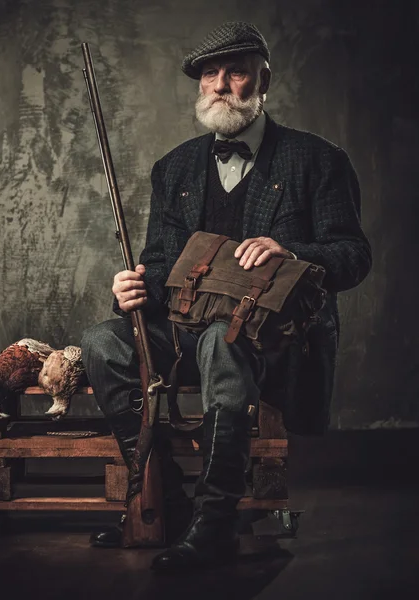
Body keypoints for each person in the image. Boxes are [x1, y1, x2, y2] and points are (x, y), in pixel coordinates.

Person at [80, 21, 372, 572]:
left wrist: (290, 253)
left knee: (223, 340)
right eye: (208, 75)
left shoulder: (317, 160)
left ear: (264, 80)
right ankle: (163, 503)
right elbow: (161, 264)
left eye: (235, 72)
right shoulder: (175, 168)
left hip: (274, 338)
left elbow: (353, 255)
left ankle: (213, 525)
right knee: (102, 341)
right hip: (185, 328)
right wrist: (132, 289)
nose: (219, 84)